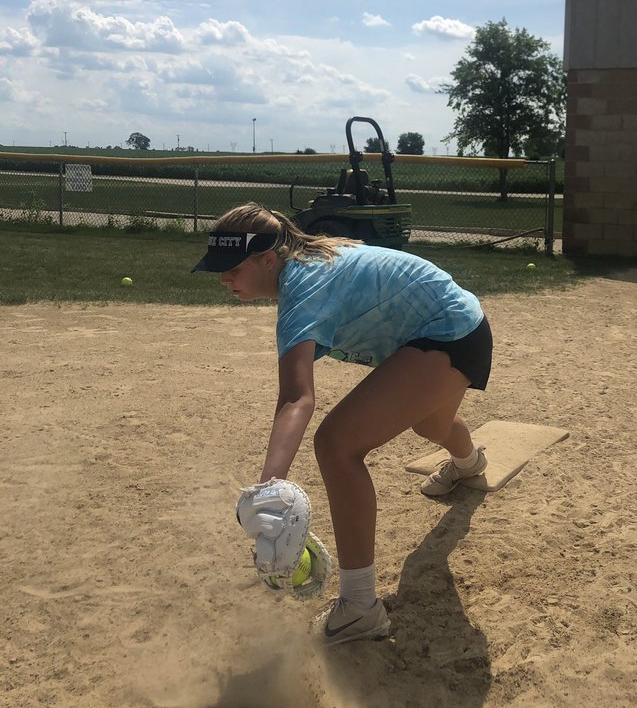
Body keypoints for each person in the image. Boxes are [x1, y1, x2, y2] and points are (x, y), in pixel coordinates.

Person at [192, 202, 492, 644]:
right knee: (429, 426)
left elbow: (297, 397)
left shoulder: (303, 285)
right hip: (455, 326)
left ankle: (359, 606)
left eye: (232, 267)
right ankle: (469, 464)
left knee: (336, 444)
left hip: (447, 332)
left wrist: (268, 489)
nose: (223, 278)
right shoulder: (302, 263)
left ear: (268, 260)